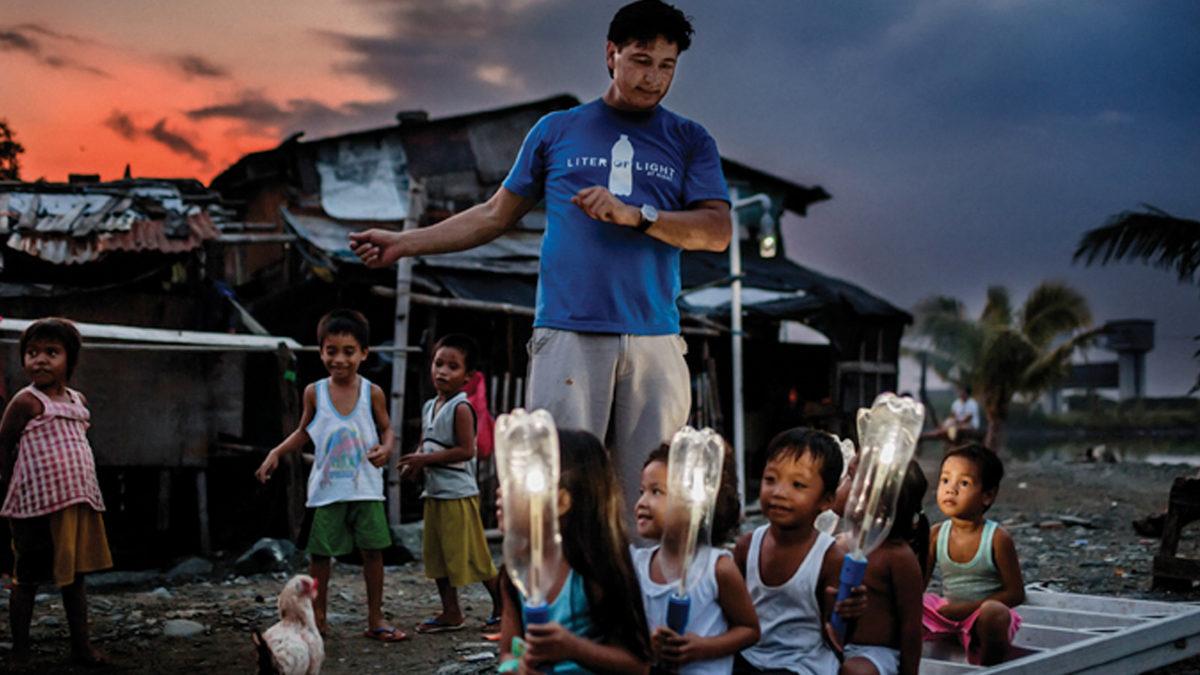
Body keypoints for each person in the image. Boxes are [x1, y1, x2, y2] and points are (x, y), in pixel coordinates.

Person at [348, 0, 732, 508]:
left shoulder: (688, 139)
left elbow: (717, 231)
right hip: (568, 332)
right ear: (611, 54)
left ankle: (646, 589)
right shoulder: (557, 130)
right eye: (642, 60)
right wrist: (404, 243)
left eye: (667, 66)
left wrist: (639, 215)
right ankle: (561, 589)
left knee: (653, 494)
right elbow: (492, 215)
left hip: (655, 337)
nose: (653, 78)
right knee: (561, 489)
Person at [255, 309, 401, 641]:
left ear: (364, 353)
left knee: (373, 552)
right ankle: (317, 621)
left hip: (365, 488)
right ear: (320, 351)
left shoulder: (372, 392)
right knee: (320, 555)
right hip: (326, 490)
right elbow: (304, 431)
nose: (339, 359)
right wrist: (276, 452)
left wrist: (387, 448)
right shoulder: (314, 392)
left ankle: (375, 618)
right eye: (330, 351)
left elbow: (387, 428)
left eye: (349, 351)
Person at [0, 318, 112, 667]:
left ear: (70, 360)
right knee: (28, 577)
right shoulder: (25, 401)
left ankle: (82, 646)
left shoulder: (78, 400)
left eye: (52, 352)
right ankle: (20, 651)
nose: (40, 360)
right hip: (34, 506)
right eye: (32, 353)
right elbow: (4, 441)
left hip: (74, 501)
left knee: (75, 578)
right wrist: (4, 484)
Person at [498, 429, 651, 673]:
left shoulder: (594, 573)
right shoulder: (515, 573)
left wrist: (572, 648)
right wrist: (517, 668)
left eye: (520, 481)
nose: (501, 492)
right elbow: (507, 652)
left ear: (561, 502)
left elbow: (638, 665)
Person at [397, 334, 501, 634]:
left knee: (473, 555)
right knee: (437, 557)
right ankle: (451, 612)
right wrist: (413, 467)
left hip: (457, 494)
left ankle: (502, 606)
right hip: (434, 493)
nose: (442, 371)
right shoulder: (431, 405)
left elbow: (467, 451)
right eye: (438, 363)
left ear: (467, 377)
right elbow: (423, 446)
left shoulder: (461, 408)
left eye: (452, 367)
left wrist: (425, 461)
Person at [632, 443, 759, 674]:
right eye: (642, 492)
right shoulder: (637, 565)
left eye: (656, 491)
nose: (642, 502)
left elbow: (749, 629)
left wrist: (703, 647)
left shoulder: (717, 568)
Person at [732, 428, 851, 674]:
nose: (779, 492)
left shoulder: (829, 557)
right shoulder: (746, 547)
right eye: (770, 479)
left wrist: (848, 607)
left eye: (798, 484)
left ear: (826, 500)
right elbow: (730, 613)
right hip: (749, 655)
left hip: (802, 663)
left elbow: (840, 631)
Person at [923, 444, 1024, 666]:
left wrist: (967, 609)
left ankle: (989, 666)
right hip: (946, 613)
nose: (951, 490)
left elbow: (1016, 594)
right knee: (905, 604)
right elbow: (918, 583)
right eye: (945, 480)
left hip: (979, 617)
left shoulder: (997, 538)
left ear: (987, 496)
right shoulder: (936, 534)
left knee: (995, 614)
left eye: (964, 483)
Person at [835, 460, 929, 675]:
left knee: (854, 672)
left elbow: (911, 627)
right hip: (833, 644)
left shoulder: (897, 556)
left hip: (874, 654)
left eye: (850, 478)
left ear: (879, 501)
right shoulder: (835, 544)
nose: (841, 483)